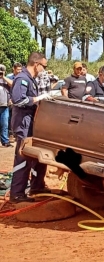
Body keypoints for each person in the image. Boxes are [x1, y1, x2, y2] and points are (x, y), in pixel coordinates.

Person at [10, 52, 52, 203]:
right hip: (23, 124)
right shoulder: (22, 78)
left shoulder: (31, 79)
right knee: (23, 158)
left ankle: (37, 186)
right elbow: (18, 100)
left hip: (31, 123)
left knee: (36, 156)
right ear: (36, 64)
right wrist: (37, 98)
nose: (45, 70)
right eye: (44, 66)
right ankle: (17, 194)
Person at [0, 64, 13, 147]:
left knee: (4, 124)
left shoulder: (6, 79)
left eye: (2, 70)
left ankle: (5, 141)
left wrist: (3, 77)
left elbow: (12, 84)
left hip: (4, 105)